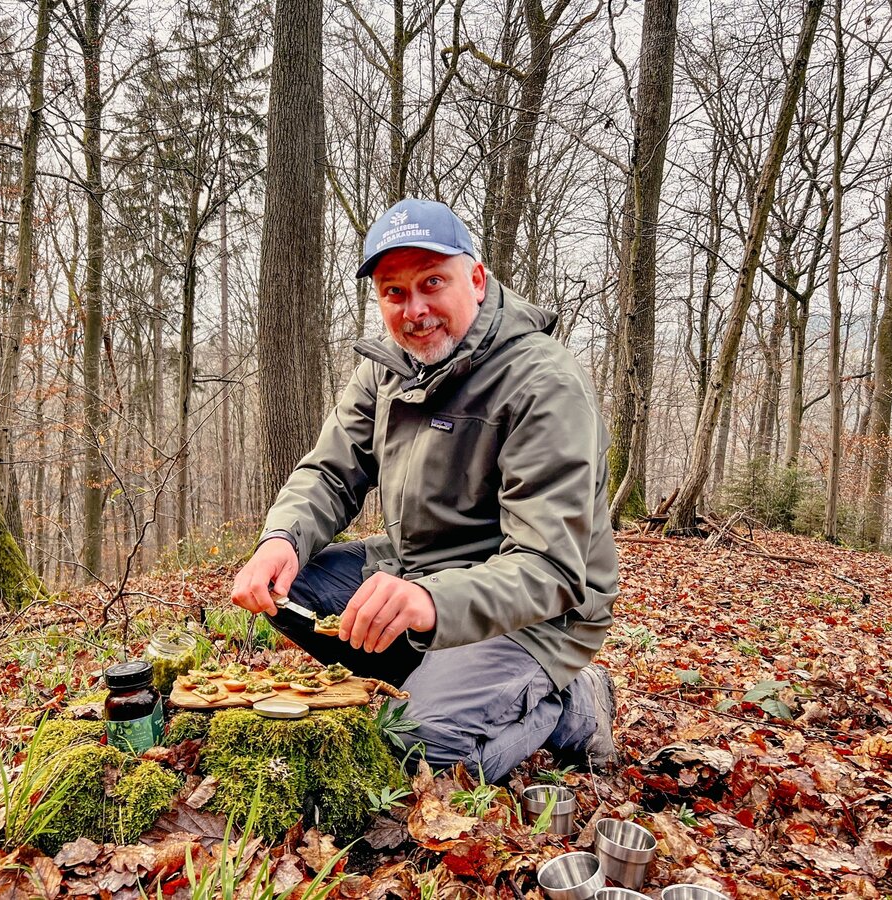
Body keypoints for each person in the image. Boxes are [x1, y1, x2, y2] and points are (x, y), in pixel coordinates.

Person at [231, 198, 619, 781]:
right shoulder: (389, 369)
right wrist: (280, 538)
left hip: (538, 613)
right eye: (394, 292)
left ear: (478, 279)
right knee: (295, 592)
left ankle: (569, 705)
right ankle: (441, 677)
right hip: (421, 571)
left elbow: (550, 569)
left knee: (417, 756)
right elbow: (331, 471)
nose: (415, 310)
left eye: (432, 282)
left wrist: (432, 602)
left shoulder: (544, 383)